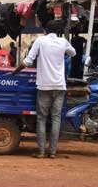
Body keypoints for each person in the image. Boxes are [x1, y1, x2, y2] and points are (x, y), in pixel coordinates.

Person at [11, 21, 76, 159]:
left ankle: (41, 151)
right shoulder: (63, 42)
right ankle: (52, 152)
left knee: (41, 118)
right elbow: (73, 53)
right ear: (58, 31)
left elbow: (28, 61)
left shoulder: (40, 41)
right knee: (56, 118)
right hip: (59, 86)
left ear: (45, 30)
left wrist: (15, 72)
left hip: (44, 86)